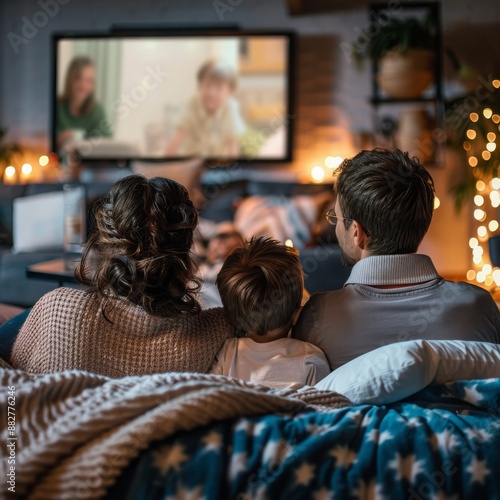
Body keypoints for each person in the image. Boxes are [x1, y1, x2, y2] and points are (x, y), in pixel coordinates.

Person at [293, 148, 500, 371]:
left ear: (356, 232)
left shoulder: (317, 317)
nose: (335, 229)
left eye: (336, 217)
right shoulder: (479, 307)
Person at [10, 175, 235, 376]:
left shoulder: (58, 309)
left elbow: (13, 387)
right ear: (186, 247)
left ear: (105, 240)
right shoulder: (215, 329)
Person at [211, 236, 330, 389]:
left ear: (229, 316)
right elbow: (325, 407)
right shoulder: (311, 359)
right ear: (297, 314)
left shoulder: (226, 353)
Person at [166, 60, 242, 158]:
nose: (211, 93)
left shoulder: (231, 108)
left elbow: (233, 144)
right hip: (192, 163)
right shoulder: (191, 105)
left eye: (218, 88)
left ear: (229, 91)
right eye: (207, 85)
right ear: (200, 86)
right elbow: (175, 141)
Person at [56, 56, 112, 152]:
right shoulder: (57, 107)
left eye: (89, 81)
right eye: (78, 79)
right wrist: (58, 139)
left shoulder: (97, 110)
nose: (83, 85)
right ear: (70, 79)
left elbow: (107, 142)